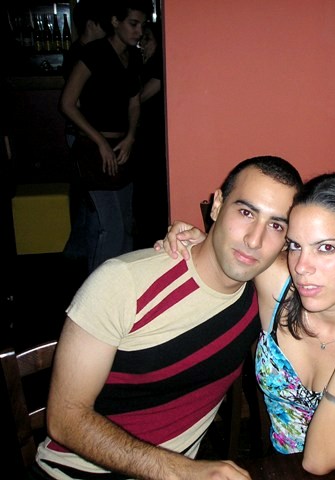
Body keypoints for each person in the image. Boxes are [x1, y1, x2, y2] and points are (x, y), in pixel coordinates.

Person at [31, 156, 303, 480]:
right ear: (217, 205)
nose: (254, 240)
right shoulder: (122, 283)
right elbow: (65, 419)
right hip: (71, 473)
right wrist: (182, 471)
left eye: (276, 225)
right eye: (245, 212)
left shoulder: (264, 292)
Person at [160, 172, 335, 475]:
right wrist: (197, 241)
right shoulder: (276, 282)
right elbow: (230, 253)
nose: (301, 267)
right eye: (295, 245)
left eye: (325, 248)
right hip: (283, 466)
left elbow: (319, 461)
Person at [59, 0, 151, 274]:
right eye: (133, 24)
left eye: (142, 25)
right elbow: (67, 103)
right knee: (111, 227)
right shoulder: (94, 52)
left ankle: (122, 286)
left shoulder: (133, 57)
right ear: (115, 22)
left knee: (125, 225)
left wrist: (131, 137)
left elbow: (134, 103)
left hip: (122, 145)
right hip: (93, 147)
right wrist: (100, 141)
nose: (139, 31)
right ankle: (99, 292)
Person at [60, 0, 106, 272]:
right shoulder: (83, 54)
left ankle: (77, 255)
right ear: (92, 25)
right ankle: (84, 262)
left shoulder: (81, 52)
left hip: (83, 135)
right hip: (82, 136)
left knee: (89, 204)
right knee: (93, 206)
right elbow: (72, 104)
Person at [132, 20, 169, 249]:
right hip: (150, 139)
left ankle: (150, 244)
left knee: (150, 198)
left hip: (154, 141)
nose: (142, 43)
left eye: (147, 39)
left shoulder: (158, 64)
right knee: (148, 198)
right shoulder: (149, 64)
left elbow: (141, 97)